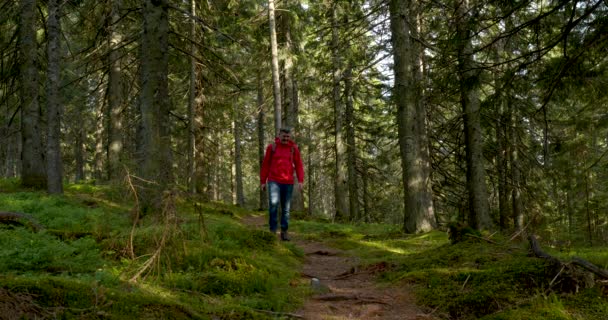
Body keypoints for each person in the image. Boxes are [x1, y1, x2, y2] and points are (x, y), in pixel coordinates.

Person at [260, 127, 304, 241]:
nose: (285, 138)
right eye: (284, 136)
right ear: (279, 135)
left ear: (290, 137)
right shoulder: (272, 147)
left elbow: (299, 165)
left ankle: (284, 232)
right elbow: (265, 164)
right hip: (274, 181)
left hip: (288, 182)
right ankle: (272, 231)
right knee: (273, 205)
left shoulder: (293, 148)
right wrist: (262, 181)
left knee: (286, 209)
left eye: (288, 137)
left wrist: (300, 180)